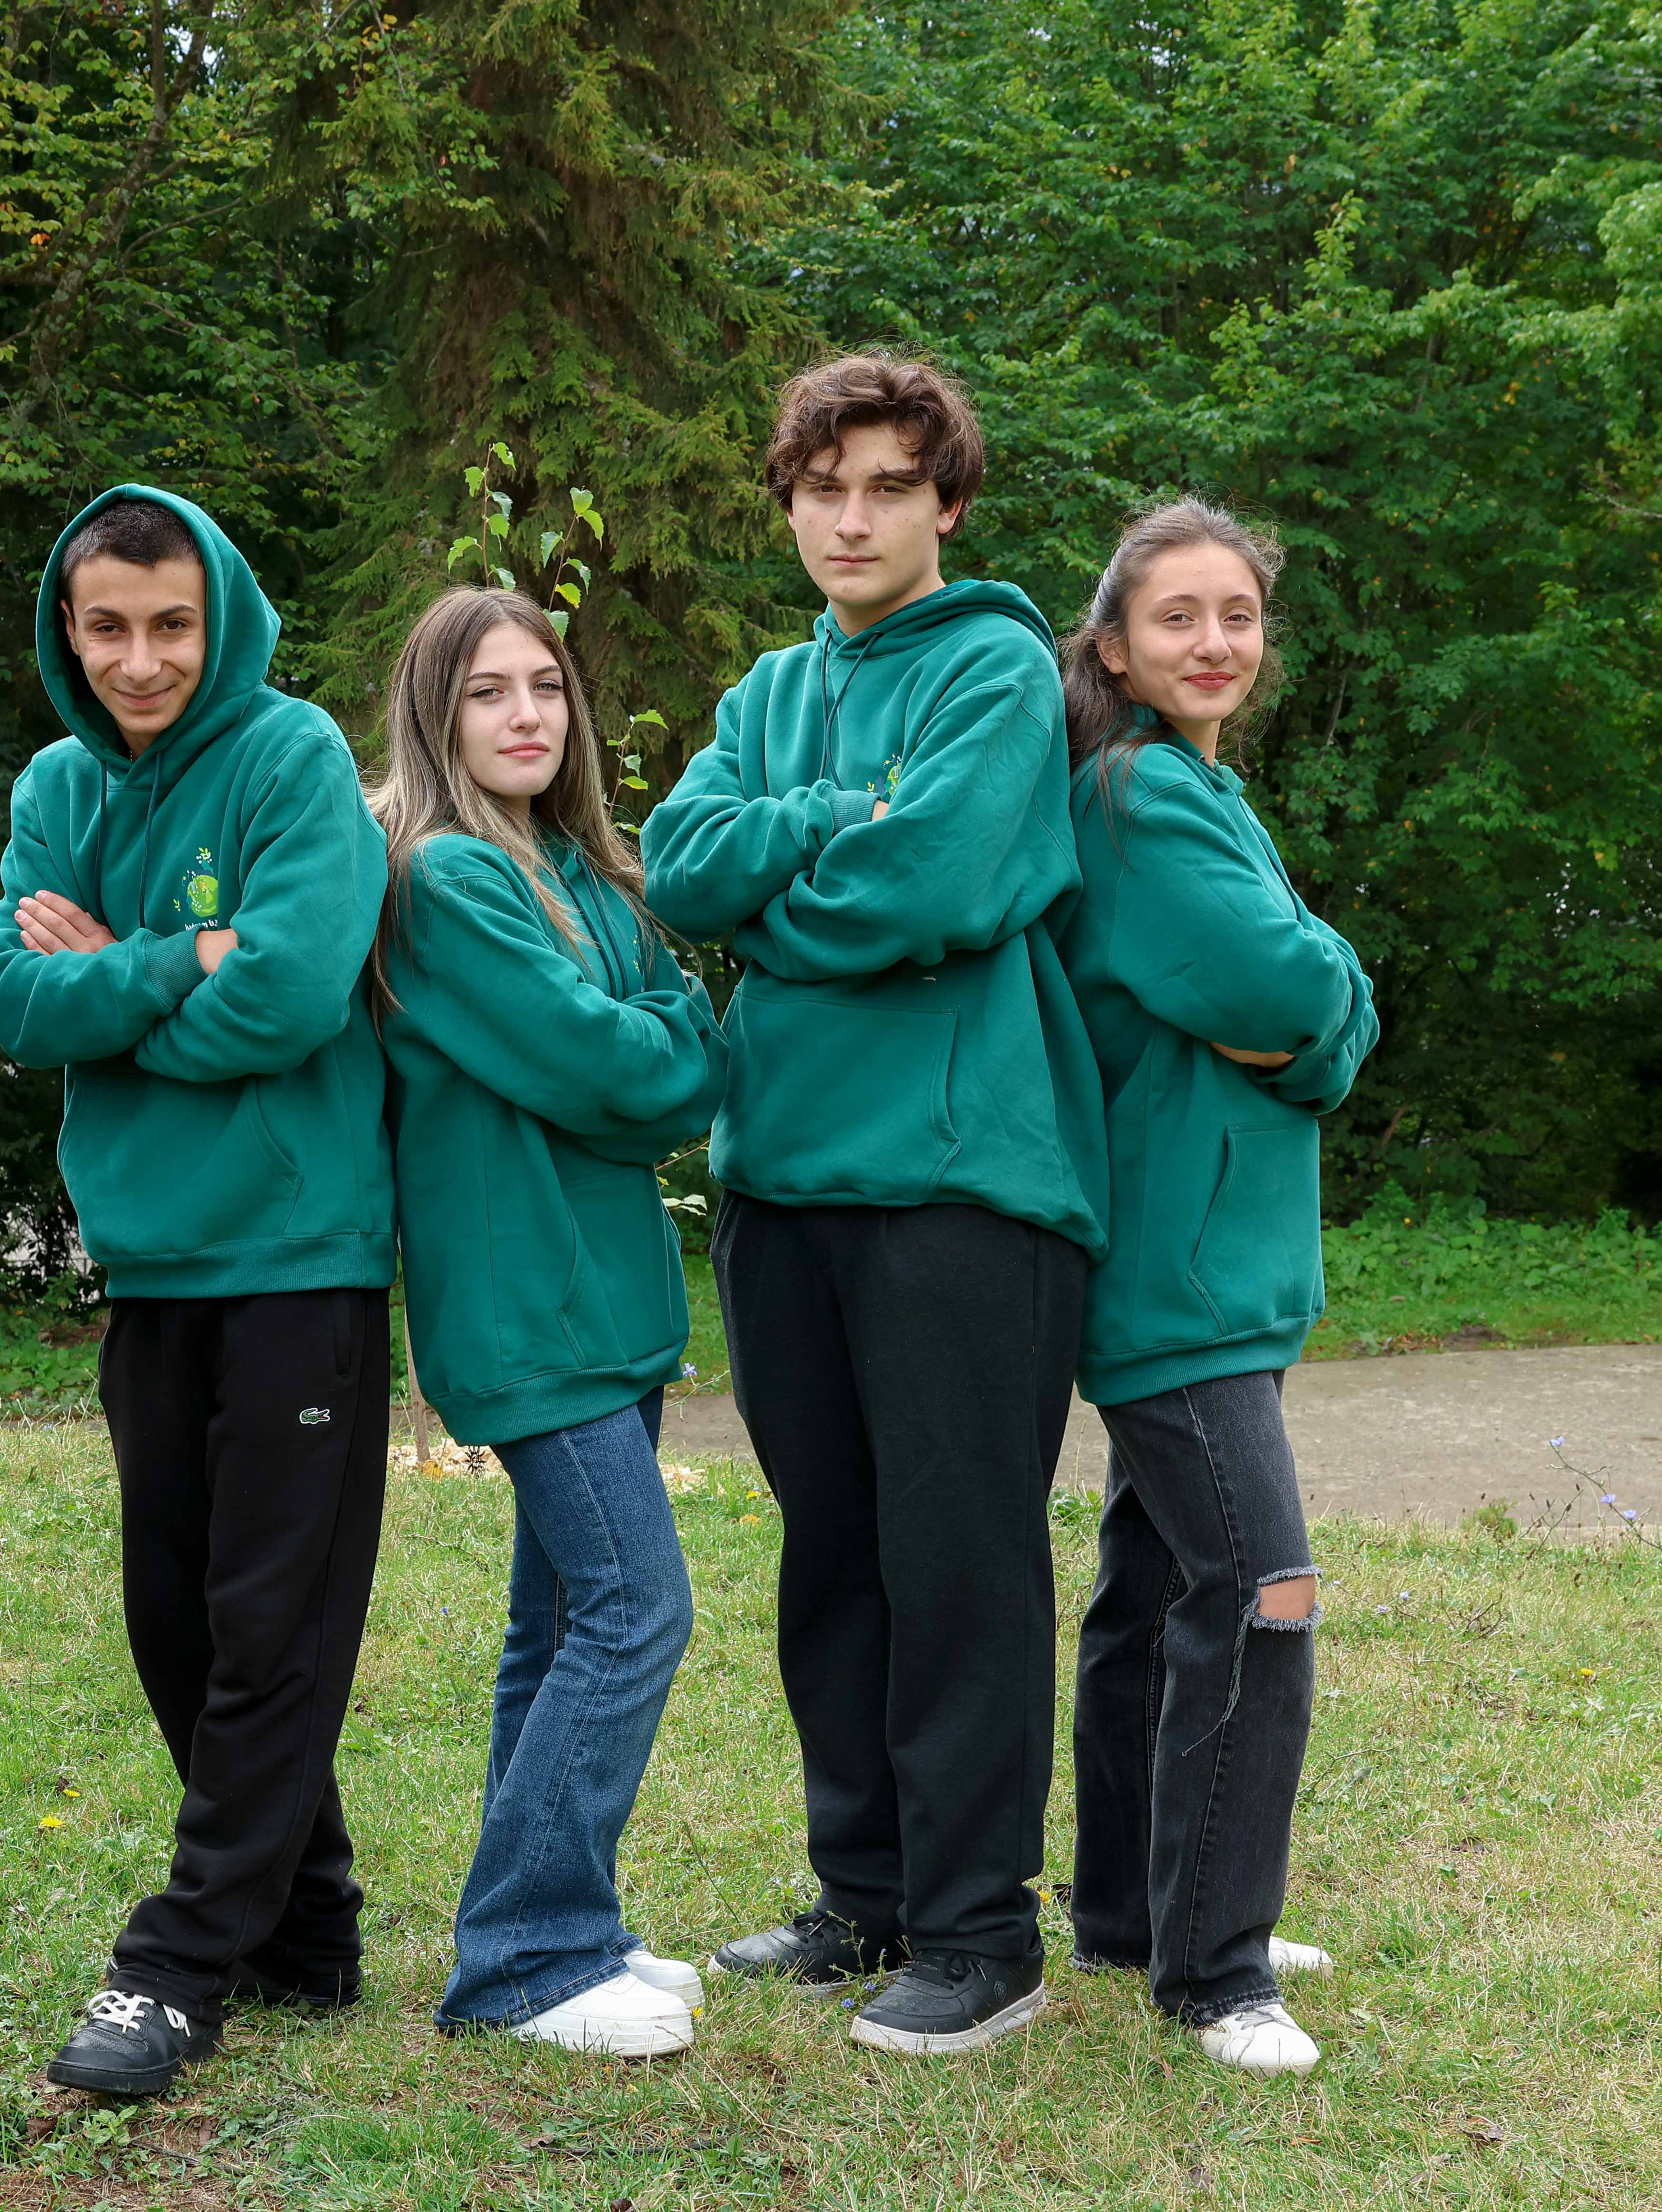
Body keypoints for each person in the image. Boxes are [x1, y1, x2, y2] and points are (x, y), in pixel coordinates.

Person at [639, 352, 1107, 2057]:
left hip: (961, 1181)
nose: (851, 518)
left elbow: (932, 884)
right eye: (822, 488)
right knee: (833, 1555)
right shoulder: (768, 690)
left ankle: (980, 1933)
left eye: (889, 486)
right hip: (779, 1176)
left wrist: (783, 892)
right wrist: (830, 823)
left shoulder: (995, 665)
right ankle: (867, 1894)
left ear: (946, 505)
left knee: (956, 1559)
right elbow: (678, 864)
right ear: (789, 503)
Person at [0, 487, 394, 2098]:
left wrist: (115, 975)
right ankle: (308, 1923)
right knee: (176, 1616)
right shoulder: (55, 786)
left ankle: (179, 1962)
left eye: (170, 625)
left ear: (217, 620)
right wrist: (177, 954)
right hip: (150, 1261)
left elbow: (289, 995)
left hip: (297, 1253)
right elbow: (16, 1000)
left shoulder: (288, 756)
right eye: (108, 627)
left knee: (268, 1620)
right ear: (67, 630)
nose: (140, 660)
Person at [369, 589, 728, 2058]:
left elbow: (668, 1049)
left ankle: (564, 1921)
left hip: (608, 1294)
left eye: (544, 686)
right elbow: (618, 1067)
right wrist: (653, 1042)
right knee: (638, 1606)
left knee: (564, 1619)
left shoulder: (578, 868)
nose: (525, 715)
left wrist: (652, 1042)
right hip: (524, 1302)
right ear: (433, 716)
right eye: (485, 692)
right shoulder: (442, 879)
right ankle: (523, 1957)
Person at [1053, 499, 1376, 2076]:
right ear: (1114, 647)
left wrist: (1317, 1004)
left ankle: (1135, 1912)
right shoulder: (1133, 797)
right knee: (1263, 1592)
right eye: (1175, 615)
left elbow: (1298, 1009)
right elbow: (1288, 984)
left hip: (1211, 1273)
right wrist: (1332, 994)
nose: (1212, 641)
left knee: (1152, 1592)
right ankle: (1216, 1971)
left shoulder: (1195, 787)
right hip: (1172, 1279)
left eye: (1236, 613)